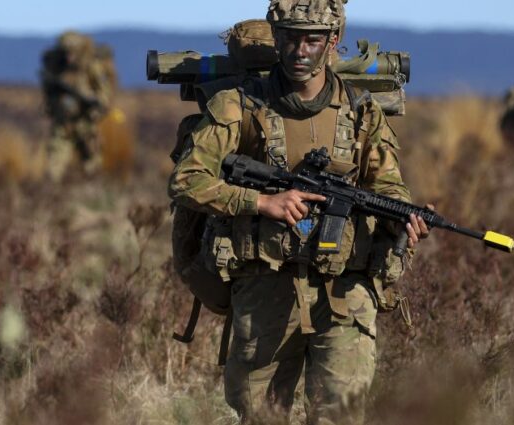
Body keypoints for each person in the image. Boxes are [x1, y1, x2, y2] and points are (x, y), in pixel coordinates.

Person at [168, 0, 429, 422]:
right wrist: (261, 202)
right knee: (261, 415)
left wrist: (403, 217)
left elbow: (387, 186)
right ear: (276, 38)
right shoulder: (238, 106)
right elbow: (186, 180)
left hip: (346, 288)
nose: (300, 51)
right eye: (291, 38)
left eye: (313, 40)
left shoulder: (361, 111)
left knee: (340, 415)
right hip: (264, 285)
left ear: (333, 42)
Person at [39, 31, 113, 180]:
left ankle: (93, 190)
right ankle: (52, 191)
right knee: (54, 167)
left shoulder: (91, 65)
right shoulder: (56, 67)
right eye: (66, 53)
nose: (69, 57)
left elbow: (104, 93)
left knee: (92, 165)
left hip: (85, 122)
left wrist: (95, 103)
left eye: (73, 53)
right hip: (63, 122)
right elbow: (48, 93)